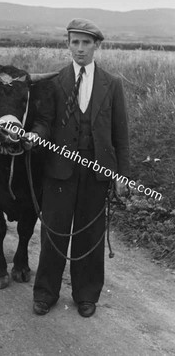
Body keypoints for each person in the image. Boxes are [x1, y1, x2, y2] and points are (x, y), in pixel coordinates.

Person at [30, 18, 130, 318]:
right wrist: (35, 135)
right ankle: (46, 293)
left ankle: (86, 295)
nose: (80, 49)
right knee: (54, 234)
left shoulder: (111, 84)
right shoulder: (55, 82)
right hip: (59, 170)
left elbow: (120, 134)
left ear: (96, 46)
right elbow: (45, 122)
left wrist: (120, 174)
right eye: (75, 42)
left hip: (96, 172)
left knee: (90, 235)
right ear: (67, 44)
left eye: (86, 43)